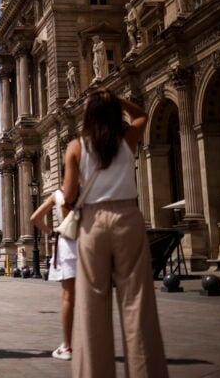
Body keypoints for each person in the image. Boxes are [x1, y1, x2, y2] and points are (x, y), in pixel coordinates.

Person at [63, 88, 167, 377]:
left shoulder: (76, 147)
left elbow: (70, 194)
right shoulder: (126, 140)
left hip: (93, 222)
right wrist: (112, 97)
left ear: (87, 115)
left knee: (91, 303)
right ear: (112, 114)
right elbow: (142, 114)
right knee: (137, 301)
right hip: (127, 218)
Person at [30, 182, 75, 361]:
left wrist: (51, 233)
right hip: (90, 244)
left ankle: (67, 345)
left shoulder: (58, 195)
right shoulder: (90, 192)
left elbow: (35, 218)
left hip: (68, 246)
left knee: (68, 298)